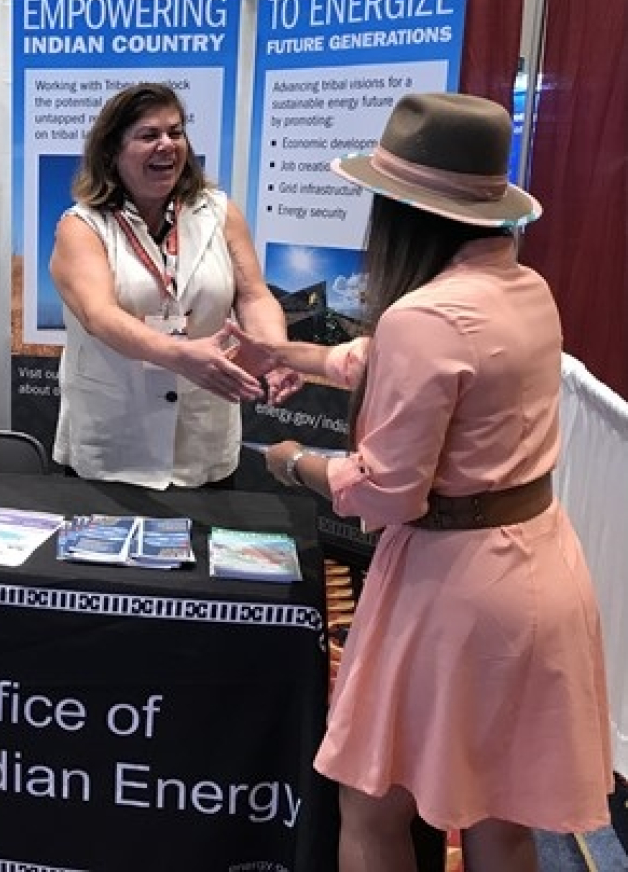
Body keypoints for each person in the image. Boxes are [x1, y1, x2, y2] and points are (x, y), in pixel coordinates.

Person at [234, 93, 612, 872]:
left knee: (369, 801)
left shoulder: (425, 317)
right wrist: (287, 357)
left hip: (452, 588)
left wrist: (294, 461)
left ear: (403, 211)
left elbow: (386, 491)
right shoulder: (524, 290)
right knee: (500, 813)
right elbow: (381, 362)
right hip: (538, 567)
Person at [48, 82, 297, 489]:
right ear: (112, 151)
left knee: (202, 549)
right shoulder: (82, 226)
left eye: (176, 132)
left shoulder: (218, 212)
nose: (167, 144)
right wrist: (181, 355)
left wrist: (275, 350)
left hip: (203, 439)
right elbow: (99, 316)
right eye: (149, 135)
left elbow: (253, 294)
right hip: (115, 442)